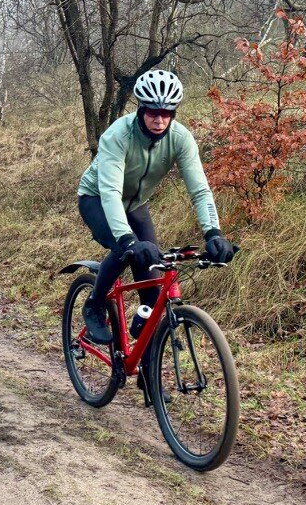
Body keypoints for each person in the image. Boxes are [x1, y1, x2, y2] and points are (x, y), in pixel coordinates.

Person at [76, 68, 235, 346]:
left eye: (167, 113)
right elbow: (111, 192)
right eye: (152, 112)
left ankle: (149, 376)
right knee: (124, 249)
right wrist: (127, 240)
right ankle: (94, 304)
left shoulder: (181, 138)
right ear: (140, 108)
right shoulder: (118, 136)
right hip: (97, 199)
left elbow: (199, 190)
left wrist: (213, 233)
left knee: (152, 291)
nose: (159, 119)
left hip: (137, 204)